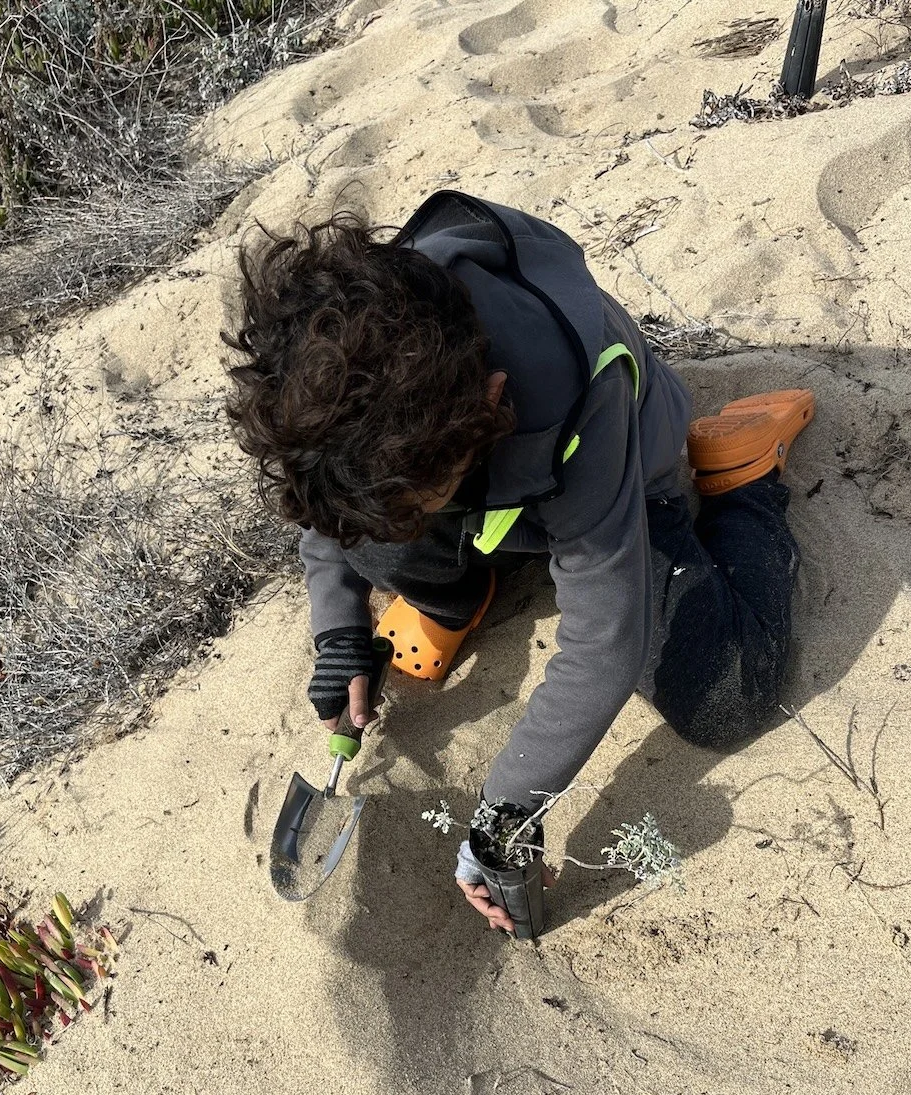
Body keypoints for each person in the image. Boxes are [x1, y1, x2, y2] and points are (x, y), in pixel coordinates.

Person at [224, 192, 813, 933]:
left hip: (621, 477)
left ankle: (743, 479)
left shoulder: (573, 392)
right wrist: (340, 627)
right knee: (373, 526)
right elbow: (330, 509)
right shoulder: (364, 363)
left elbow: (605, 642)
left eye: (417, 500)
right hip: (475, 483)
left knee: (724, 695)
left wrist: (507, 808)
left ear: (489, 405)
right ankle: (452, 592)